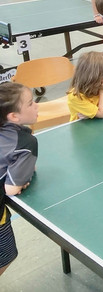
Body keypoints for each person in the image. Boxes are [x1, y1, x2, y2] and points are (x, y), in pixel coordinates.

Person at [0, 82, 38, 276]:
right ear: (13, 116)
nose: (37, 105)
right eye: (31, 103)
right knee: (6, 255)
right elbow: (11, 189)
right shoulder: (25, 143)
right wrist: (23, 178)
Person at [67, 51, 103, 121]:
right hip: (83, 125)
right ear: (95, 77)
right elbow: (102, 114)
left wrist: (95, 112)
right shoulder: (75, 96)